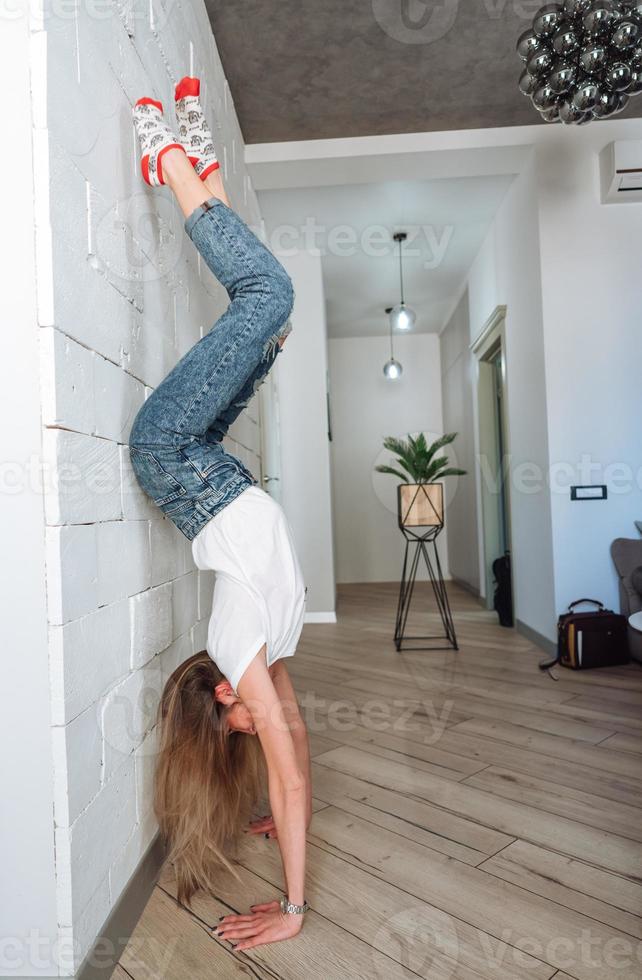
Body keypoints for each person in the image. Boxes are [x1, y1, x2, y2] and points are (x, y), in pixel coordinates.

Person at [129, 78, 311, 951]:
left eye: (244, 725)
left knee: (266, 298)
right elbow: (297, 757)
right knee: (270, 338)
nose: (264, 726)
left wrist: (295, 908)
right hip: (209, 468)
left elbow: (288, 763)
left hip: (174, 455)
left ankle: (163, 158)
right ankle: (204, 171)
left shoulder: (241, 644)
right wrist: (275, 811)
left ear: (225, 697)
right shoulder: (280, 651)